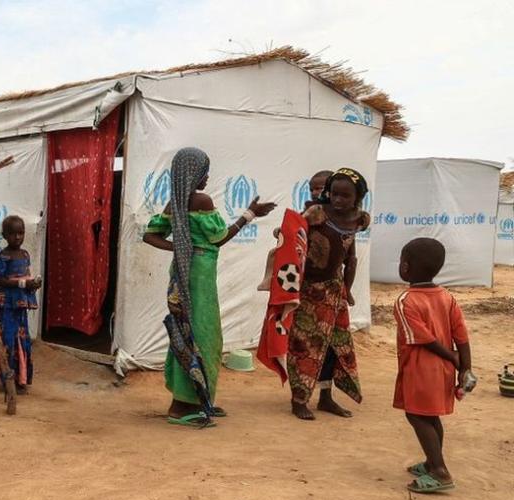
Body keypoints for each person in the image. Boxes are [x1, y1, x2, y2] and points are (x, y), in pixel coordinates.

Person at [143, 147, 276, 427]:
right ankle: (181, 408)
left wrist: (180, 249)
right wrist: (250, 214)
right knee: (204, 337)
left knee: (186, 333)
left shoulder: (175, 203)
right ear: (194, 174)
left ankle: (196, 399)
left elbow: (151, 235)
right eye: (205, 171)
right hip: (199, 278)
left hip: (181, 275)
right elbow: (218, 238)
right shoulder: (201, 200)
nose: (207, 177)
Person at [287, 168, 370, 420]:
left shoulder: (358, 220)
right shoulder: (316, 214)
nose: (338, 200)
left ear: (357, 198)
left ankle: (325, 398)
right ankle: (299, 400)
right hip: (309, 291)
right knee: (305, 345)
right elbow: (293, 238)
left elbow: (351, 258)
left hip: (334, 292)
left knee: (333, 347)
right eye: (334, 194)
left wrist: (348, 290)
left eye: (345, 196)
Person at [394, 238, 476, 493]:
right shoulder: (447, 297)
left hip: (421, 369)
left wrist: (451, 357)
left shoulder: (405, 300)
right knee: (431, 415)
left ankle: (440, 471)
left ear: (405, 267)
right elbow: (461, 334)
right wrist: (465, 367)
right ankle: (432, 462)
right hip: (444, 371)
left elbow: (421, 337)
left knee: (416, 414)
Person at [0, 216, 41, 394]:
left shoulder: (25, 254)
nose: (17, 237)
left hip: (21, 302)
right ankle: (8, 380)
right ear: (4, 235)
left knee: (23, 338)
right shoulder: (3, 257)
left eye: (21, 233)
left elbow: (25, 277)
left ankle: (22, 377)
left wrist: (32, 284)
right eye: (13, 234)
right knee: (9, 339)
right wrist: (22, 284)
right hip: (7, 303)